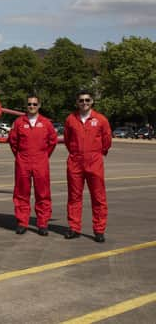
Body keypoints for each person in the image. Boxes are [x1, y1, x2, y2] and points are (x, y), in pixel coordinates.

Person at [63, 90, 112, 242]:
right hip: (75, 161)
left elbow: (107, 140)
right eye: (81, 100)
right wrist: (76, 153)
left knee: (98, 197)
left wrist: (97, 154)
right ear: (77, 103)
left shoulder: (101, 119)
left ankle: (99, 230)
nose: (84, 103)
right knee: (74, 197)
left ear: (92, 102)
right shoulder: (71, 119)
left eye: (87, 100)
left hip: (94, 161)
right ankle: (74, 228)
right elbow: (67, 139)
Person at [8, 95, 58, 236]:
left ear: (39, 105)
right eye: (29, 104)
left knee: (43, 193)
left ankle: (42, 223)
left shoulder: (46, 123)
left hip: (40, 161)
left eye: (34, 104)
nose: (32, 106)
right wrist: (19, 156)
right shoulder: (18, 122)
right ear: (26, 105)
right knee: (21, 193)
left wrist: (43, 155)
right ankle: (22, 222)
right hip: (23, 160)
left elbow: (52, 141)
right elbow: (13, 141)